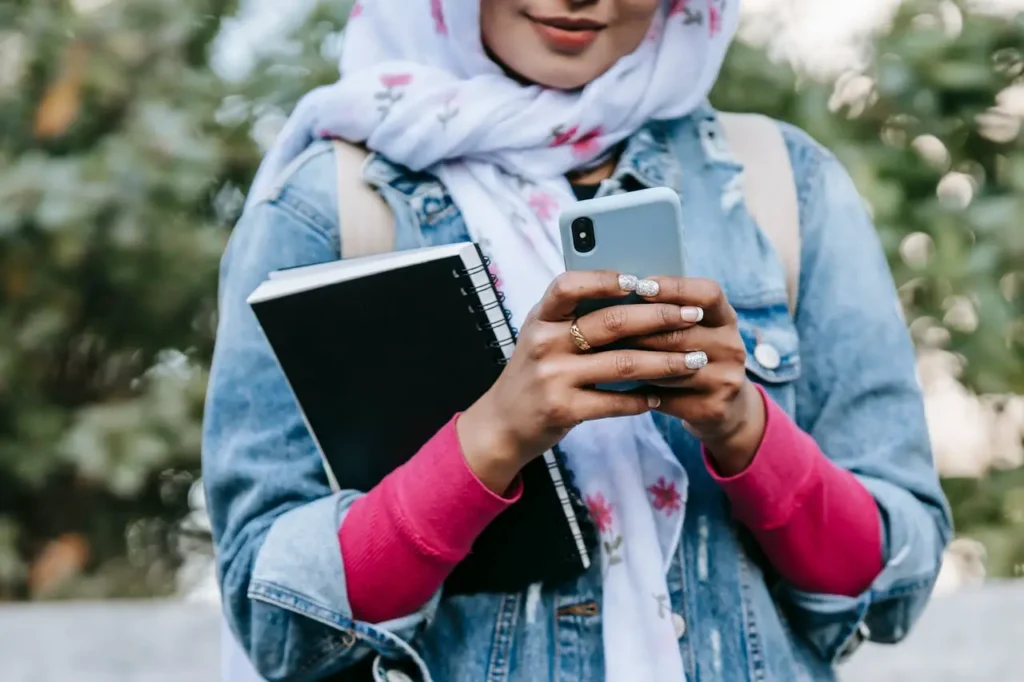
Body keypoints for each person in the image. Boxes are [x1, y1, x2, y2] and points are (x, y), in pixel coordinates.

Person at [203, 1, 952, 680]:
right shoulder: (325, 209)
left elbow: (891, 591)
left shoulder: (783, 186)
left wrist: (746, 431)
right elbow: (278, 626)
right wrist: (490, 441)